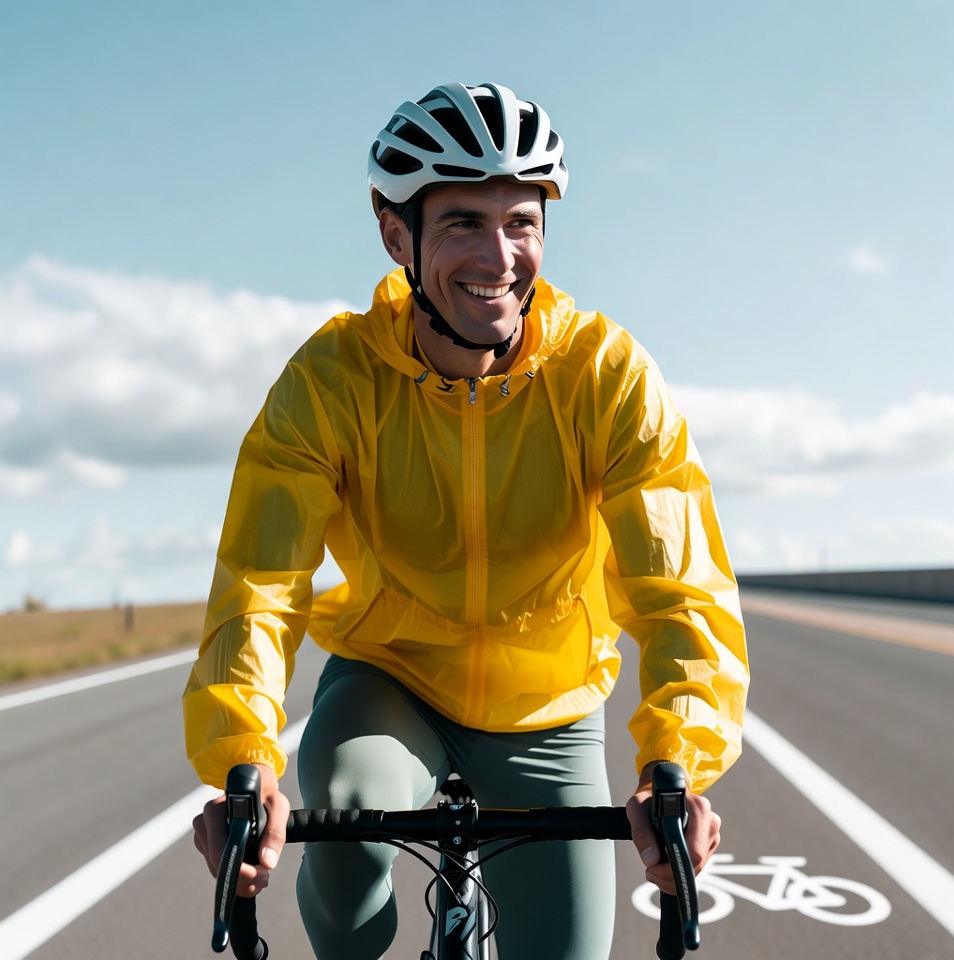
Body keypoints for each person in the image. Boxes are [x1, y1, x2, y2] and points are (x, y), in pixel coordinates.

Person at [185, 81, 749, 960]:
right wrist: (243, 762)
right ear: (396, 235)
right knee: (346, 818)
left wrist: (674, 765)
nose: (499, 255)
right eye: (462, 224)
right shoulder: (329, 381)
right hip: (391, 680)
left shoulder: (606, 375)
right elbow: (261, 584)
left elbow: (680, 586)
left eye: (520, 222)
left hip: (549, 709)